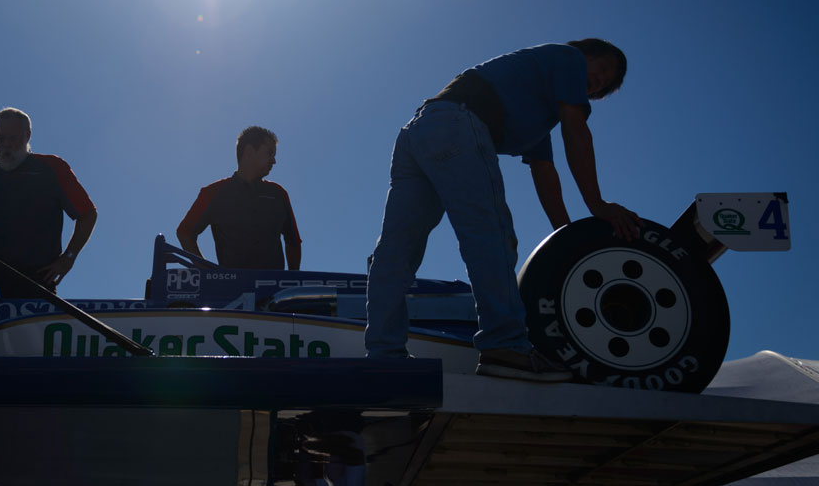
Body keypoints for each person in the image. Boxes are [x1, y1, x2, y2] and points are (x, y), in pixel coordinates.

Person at [364, 39, 640, 381]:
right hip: (457, 124)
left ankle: (384, 353)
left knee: (395, 251)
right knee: (491, 235)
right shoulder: (567, 58)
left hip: (419, 131)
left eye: (604, 83)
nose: (597, 80)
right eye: (599, 69)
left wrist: (565, 235)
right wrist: (598, 205)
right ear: (583, 53)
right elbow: (577, 130)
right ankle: (505, 346)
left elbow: (544, 170)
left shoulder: (538, 108)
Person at [0, 107, 97, 296]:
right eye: (0, 138)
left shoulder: (52, 168)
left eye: (13, 138)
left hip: (38, 281)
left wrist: (69, 257)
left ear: (28, 136)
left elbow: (88, 214)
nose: (6, 144)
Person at [176, 126, 302, 270]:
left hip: (273, 290)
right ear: (249, 151)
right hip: (231, 290)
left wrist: (291, 280)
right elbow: (184, 232)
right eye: (270, 153)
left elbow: (294, 242)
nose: (274, 161)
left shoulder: (279, 194)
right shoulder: (212, 193)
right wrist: (207, 272)